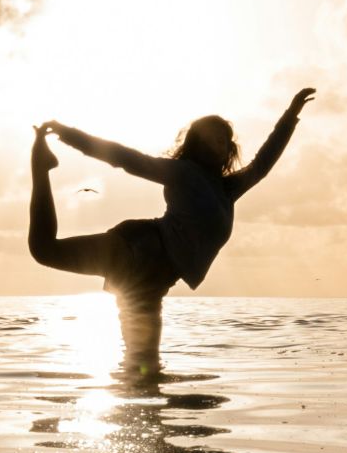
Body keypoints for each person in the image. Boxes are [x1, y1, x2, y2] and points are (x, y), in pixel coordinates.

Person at [28, 88, 316, 376]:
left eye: (225, 138)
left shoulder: (228, 190)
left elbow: (262, 164)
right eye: (212, 136)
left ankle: (147, 414)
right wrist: (70, 135)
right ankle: (40, 166)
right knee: (44, 250)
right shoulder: (182, 172)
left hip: (155, 282)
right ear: (197, 143)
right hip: (136, 251)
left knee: (144, 370)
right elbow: (125, 158)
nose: (221, 141)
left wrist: (290, 117)